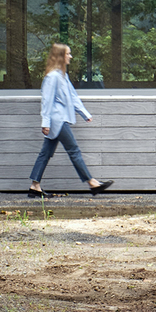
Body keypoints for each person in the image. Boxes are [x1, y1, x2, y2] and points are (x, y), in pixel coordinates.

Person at [27, 43, 113, 197]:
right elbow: (46, 101)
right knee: (74, 151)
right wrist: (45, 122)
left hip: (59, 120)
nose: (70, 57)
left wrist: (84, 113)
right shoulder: (52, 77)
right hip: (57, 120)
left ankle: (35, 186)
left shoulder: (62, 75)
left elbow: (73, 97)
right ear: (61, 56)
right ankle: (92, 183)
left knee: (45, 153)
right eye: (68, 54)